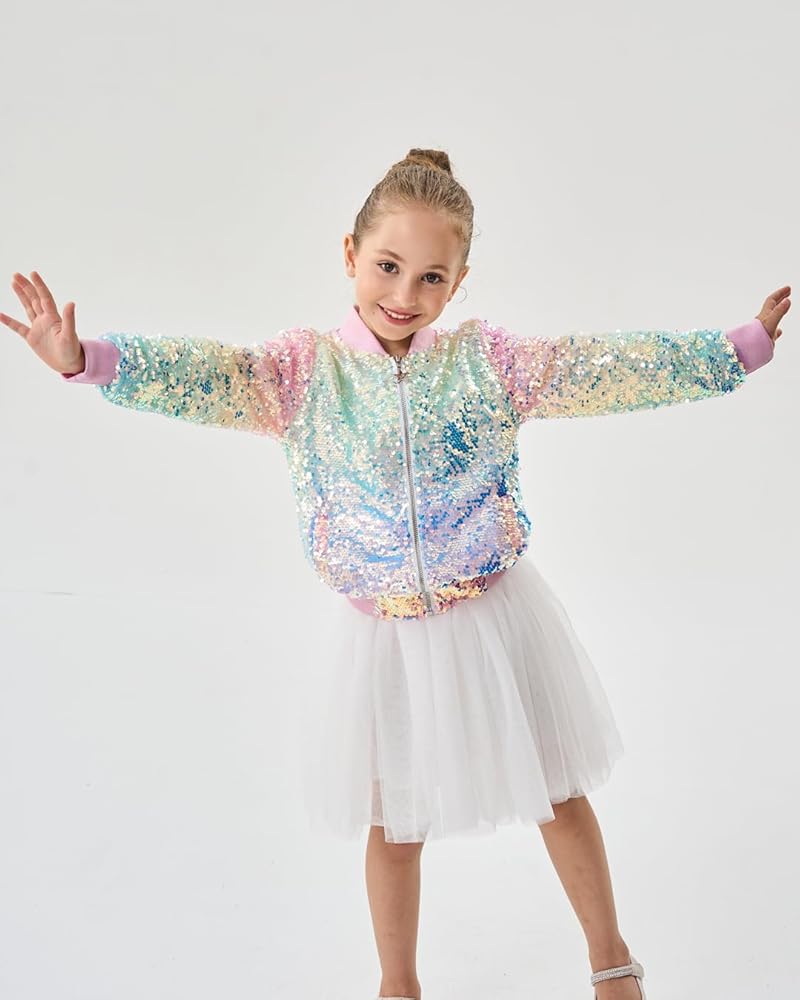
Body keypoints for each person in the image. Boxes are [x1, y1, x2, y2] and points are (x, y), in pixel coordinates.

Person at [2, 147, 789, 1000]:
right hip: (383, 634)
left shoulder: (487, 364)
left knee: (557, 794)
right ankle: (398, 984)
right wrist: (90, 358)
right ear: (350, 254)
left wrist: (733, 350)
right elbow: (206, 375)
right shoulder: (301, 374)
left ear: (458, 283)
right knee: (395, 822)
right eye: (387, 266)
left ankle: (612, 961)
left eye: (431, 278)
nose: (405, 294)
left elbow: (601, 367)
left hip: (494, 617)